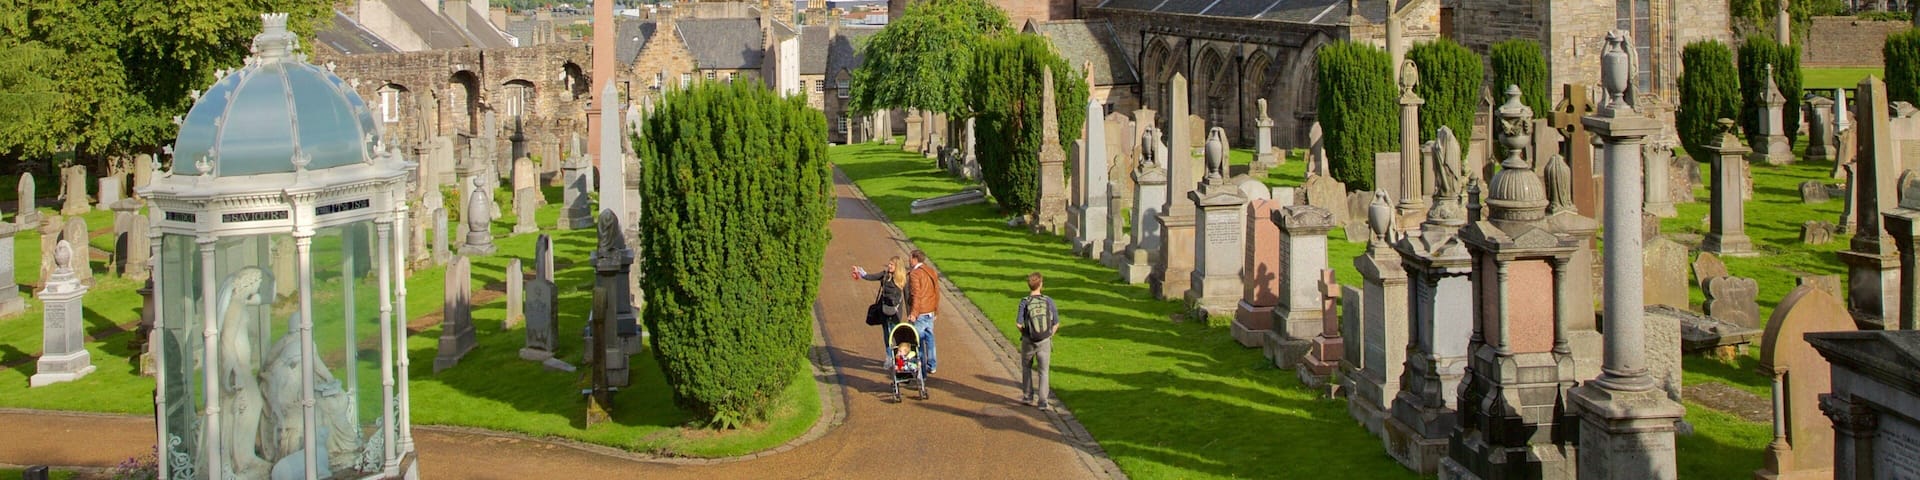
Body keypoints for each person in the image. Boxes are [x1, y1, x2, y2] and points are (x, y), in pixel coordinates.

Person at [1015, 272, 1058, 411]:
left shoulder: (1024, 301)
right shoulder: (1048, 301)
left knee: (1027, 367)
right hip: (1044, 340)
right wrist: (1049, 335)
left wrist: (1025, 333)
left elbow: (1019, 324)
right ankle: (1043, 401)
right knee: (1043, 371)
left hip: (1028, 340)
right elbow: (1056, 323)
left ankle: (1028, 396)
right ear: (1041, 284)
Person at [852, 256, 906, 354]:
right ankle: (889, 356)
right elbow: (871, 277)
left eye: (891, 264)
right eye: (889, 264)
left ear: (897, 267)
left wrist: (912, 312)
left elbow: (907, 296)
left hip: (896, 311)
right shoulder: (884, 275)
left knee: (895, 333)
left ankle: (899, 354)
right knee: (886, 333)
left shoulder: (902, 279)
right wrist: (860, 272)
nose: (889, 266)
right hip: (884, 308)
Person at [904, 249, 940, 374]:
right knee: (930, 338)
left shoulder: (915, 274)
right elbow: (937, 291)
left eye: (910, 258)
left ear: (915, 259)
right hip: (930, 310)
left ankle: (921, 372)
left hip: (920, 312)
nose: (908, 260)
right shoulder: (931, 271)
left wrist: (914, 313)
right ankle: (932, 364)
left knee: (917, 342)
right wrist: (936, 310)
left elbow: (916, 295)